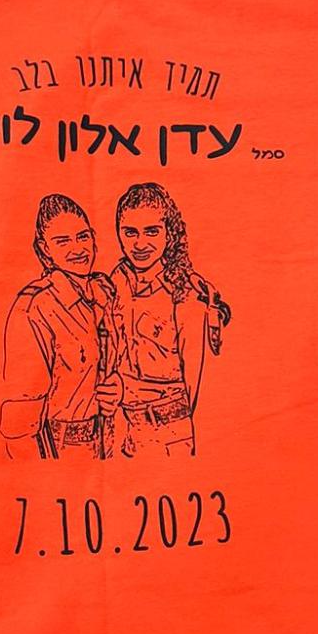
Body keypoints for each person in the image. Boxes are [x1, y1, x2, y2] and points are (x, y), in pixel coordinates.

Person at [107, 181, 231, 457]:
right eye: (130, 232)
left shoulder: (186, 292)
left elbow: (194, 387)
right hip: (126, 435)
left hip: (172, 438)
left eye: (152, 231)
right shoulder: (116, 282)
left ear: (169, 233)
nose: (140, 244)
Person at [0, 194, 123, 459]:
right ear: (45, 249)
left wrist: (118, 386)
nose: (78, 249)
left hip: (109, 444)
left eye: (83, 237)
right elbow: (20, 418)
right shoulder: (35, 306)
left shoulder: (105, 292)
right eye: (62, 241)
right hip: (60, 449)